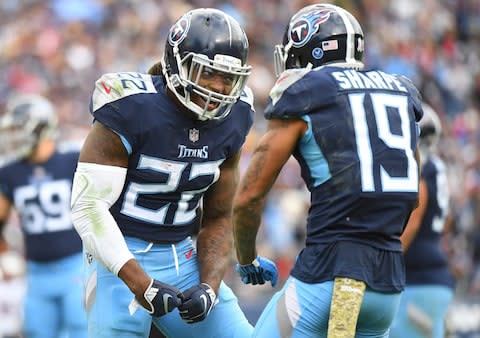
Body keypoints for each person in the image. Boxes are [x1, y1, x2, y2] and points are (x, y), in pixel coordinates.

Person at [232, 3, 424, 337]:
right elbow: (411, 190)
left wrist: (247, 257)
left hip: (329, 277)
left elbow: (249, 196)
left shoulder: (309, 91)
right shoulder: (400, 91)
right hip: (386, 287)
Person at [70, 8, 254, 338]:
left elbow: (219, 218)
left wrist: (210, 287)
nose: (217, 88)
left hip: (181, 255)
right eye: (205, 73)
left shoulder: (235, 117)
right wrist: (141, 283)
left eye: (227, 78)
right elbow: (87, 207)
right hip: (118, 256)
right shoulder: (131, 107)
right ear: (177, 64)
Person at [0, 93, 87, 338]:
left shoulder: (72, 160)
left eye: (19, 129)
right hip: (37, 271)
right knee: (38, 332)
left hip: (75, 266)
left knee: (80, 329)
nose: (14, 136)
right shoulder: (10, 172)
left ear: (40, 127)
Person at [389, 104, 455, 338]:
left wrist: (387, 261)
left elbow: (415, 220)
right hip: (435, 278)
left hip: (417, 281)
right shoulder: (437, 167)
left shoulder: (423, 166)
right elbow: (446, 221)